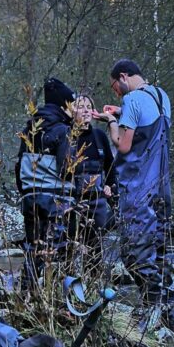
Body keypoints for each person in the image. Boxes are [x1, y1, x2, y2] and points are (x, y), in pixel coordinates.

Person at [93, 59, 172, 320]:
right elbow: (147, 124)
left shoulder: (132, 100)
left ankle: (150, 307)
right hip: (161, 187)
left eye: (115, 85)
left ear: (123, 77)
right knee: (159, 248)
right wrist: (121, 113)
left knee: (134, 252)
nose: (116, 91)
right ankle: (163, 309)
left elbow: (123, 145)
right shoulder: (161, 95)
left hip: (139, 188)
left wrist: (110, 120)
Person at [15, 77, 76, 284]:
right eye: (71, 104)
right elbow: (67, 169)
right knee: (54, 252)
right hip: (56, 201)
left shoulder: (29, 129)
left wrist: (25, 192)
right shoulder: (62, 130)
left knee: (33, 249)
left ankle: (27, 294)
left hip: (30, 198)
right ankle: (55, 300)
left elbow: (18, 166)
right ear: (63, 104)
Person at [59, 94, 115, 272]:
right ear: (71, 111)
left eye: (88, 106)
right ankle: (66, 285)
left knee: (94, 246)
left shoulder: (99, 136)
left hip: (96, 200)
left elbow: (111, 166)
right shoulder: (65, 136)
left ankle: (93, 287)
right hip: (71, 200)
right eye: (80, 106)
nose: (85, 110)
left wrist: (109, 185)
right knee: (68, 244)